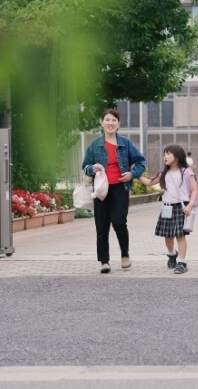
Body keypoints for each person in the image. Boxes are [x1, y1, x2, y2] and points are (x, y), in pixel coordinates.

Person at [82, 108, 146, 274]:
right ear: (102, 123)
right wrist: (92, 168)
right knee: (101, 225)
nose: (110, 123)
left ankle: (125, 255)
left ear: (118, 124)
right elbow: (85, 167)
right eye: (107, 120)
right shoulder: (94, 145)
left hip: (120, 188)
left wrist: (131, 174)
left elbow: (140, 162)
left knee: (119, 222)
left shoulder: (126, 144)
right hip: (101, 190)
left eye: (114, 120)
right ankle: (104, 261)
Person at [140, 144, 198, 274]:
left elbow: (195, 190)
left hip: (181, 206)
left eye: (168, 154)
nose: (164, 156)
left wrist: (190, 205)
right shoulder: (163, 173)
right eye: (164, 154)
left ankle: (182, 262)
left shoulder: (186, 172)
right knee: (168, 236)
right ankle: (172, 254)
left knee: (180, 235)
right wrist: (135, 174)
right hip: (167, 206)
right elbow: (149, 182)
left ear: (177, 157)